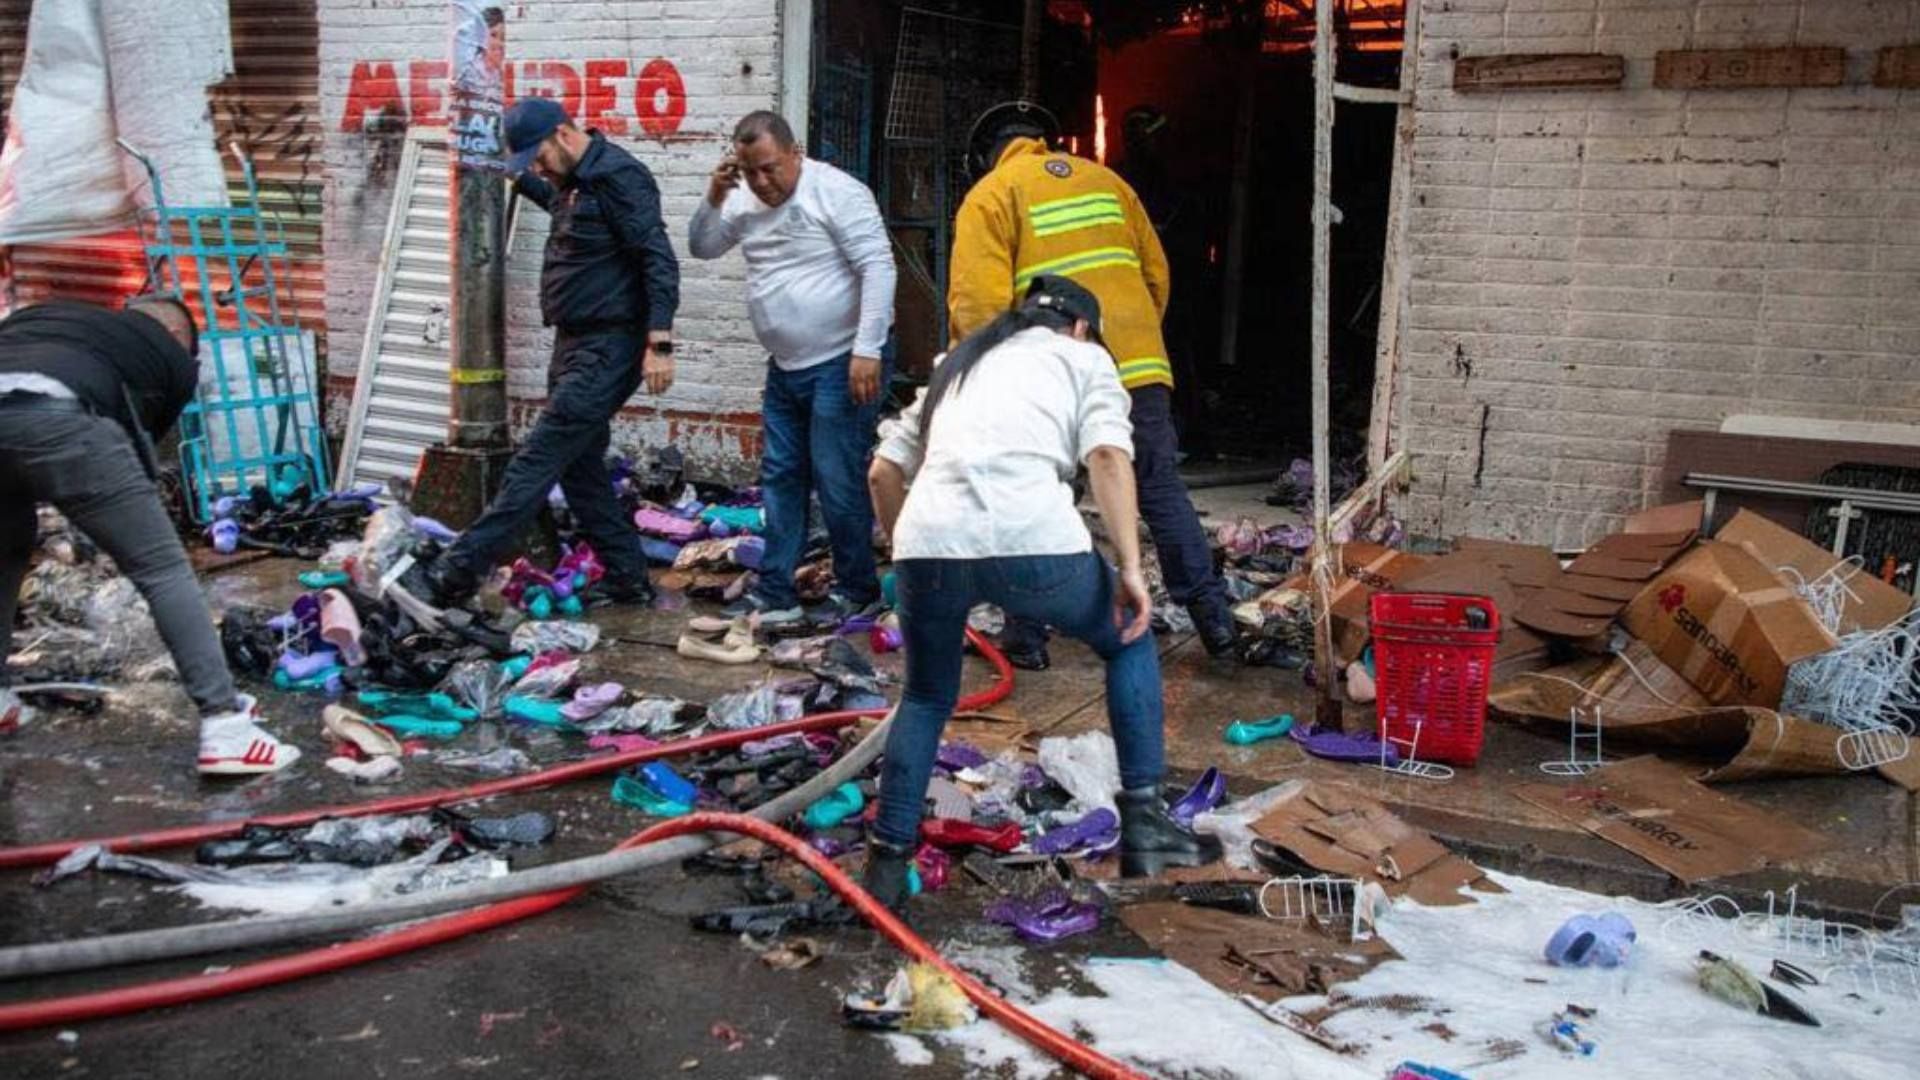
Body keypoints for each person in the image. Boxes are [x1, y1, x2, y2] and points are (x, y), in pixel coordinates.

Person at [862, 275, 1219, 910]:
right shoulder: (1086, 359)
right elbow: (1109, 460)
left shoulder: (957, 363)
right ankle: (1143, 823)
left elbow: (883, 471)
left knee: (924, 696)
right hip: (1034, 540)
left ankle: (885, 870)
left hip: (928, 544)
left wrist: (908, 560)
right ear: (1082, 326)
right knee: (1128, 638)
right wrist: (1132, 570)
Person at [947, 101, 1238, 670]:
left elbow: (978, 304)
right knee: (1156, 488)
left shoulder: (992, 193)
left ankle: (1027, 639)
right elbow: (1156, 273)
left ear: (988, 154)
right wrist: (1134, 343)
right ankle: (1217, 626)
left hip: (1050, 369)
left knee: (1037, 492)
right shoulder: (1110, 182)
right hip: (1136, 362)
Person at [0, 296, 298, 775]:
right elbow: (138, 449)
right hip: (61, 416)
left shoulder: (46, 316)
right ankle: (226, 727)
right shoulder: (171, 357)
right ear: (181, 338)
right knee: (162, 569)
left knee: (7, 552)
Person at [404, 97, 678, 609]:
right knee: (578, 468)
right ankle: (626, 576)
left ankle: (455, 572)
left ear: (563, 134)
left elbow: (658, 258)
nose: (536, 166)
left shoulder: (622, 176)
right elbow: (555, 203)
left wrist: (659, 343)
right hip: (573, 343)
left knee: (536, 460)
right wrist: (508, 177)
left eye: (537, 155)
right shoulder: (570, 185)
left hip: (611, 345)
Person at [688, 111, 897, 629]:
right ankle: (775, 589)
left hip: (843, 359)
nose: (762, 181)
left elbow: (878, 266)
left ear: (794, 152)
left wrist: (867, 349)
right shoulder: (740, 198)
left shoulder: (837, 192)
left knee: (836, 476)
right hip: (785, 366)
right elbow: (702, 246)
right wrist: (714, 197)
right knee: (781, 476)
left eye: (770, 168)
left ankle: (857, 590)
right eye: (750, 171)